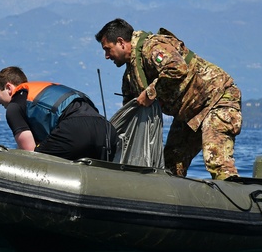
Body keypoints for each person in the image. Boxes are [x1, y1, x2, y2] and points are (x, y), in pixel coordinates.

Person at [94, 18, 242, 180]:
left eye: (108, 49)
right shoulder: (130, 78)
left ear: (121, 42)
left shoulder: (152, 47)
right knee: (172, 164)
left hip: (217, 99)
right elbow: (130, 114)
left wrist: (150, 93)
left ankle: (234, 192)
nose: (107, 56)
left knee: (216, 160)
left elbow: (177, 68)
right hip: (188, 113)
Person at [0, 66, 119, 161]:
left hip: (75, 129)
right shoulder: (45, 90)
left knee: (37, 160)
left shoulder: (14, 107)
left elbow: (29, 152)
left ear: (8, 88)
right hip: (107, 130)